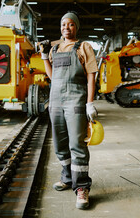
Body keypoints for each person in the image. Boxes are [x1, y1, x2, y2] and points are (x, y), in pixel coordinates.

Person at [40, 11, 98, 209]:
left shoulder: (84, 47)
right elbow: (52, 75)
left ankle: (82, 187)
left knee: (77, 143)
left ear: (76, 27)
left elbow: (91, 76)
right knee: (60, 143)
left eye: (71, 24)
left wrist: (90, 103)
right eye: (64, 24)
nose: (67, 27)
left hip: (75, 99)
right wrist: (43, 56)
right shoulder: (54, 49)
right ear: (60, 27)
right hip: (55, 101)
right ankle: (67, 177)